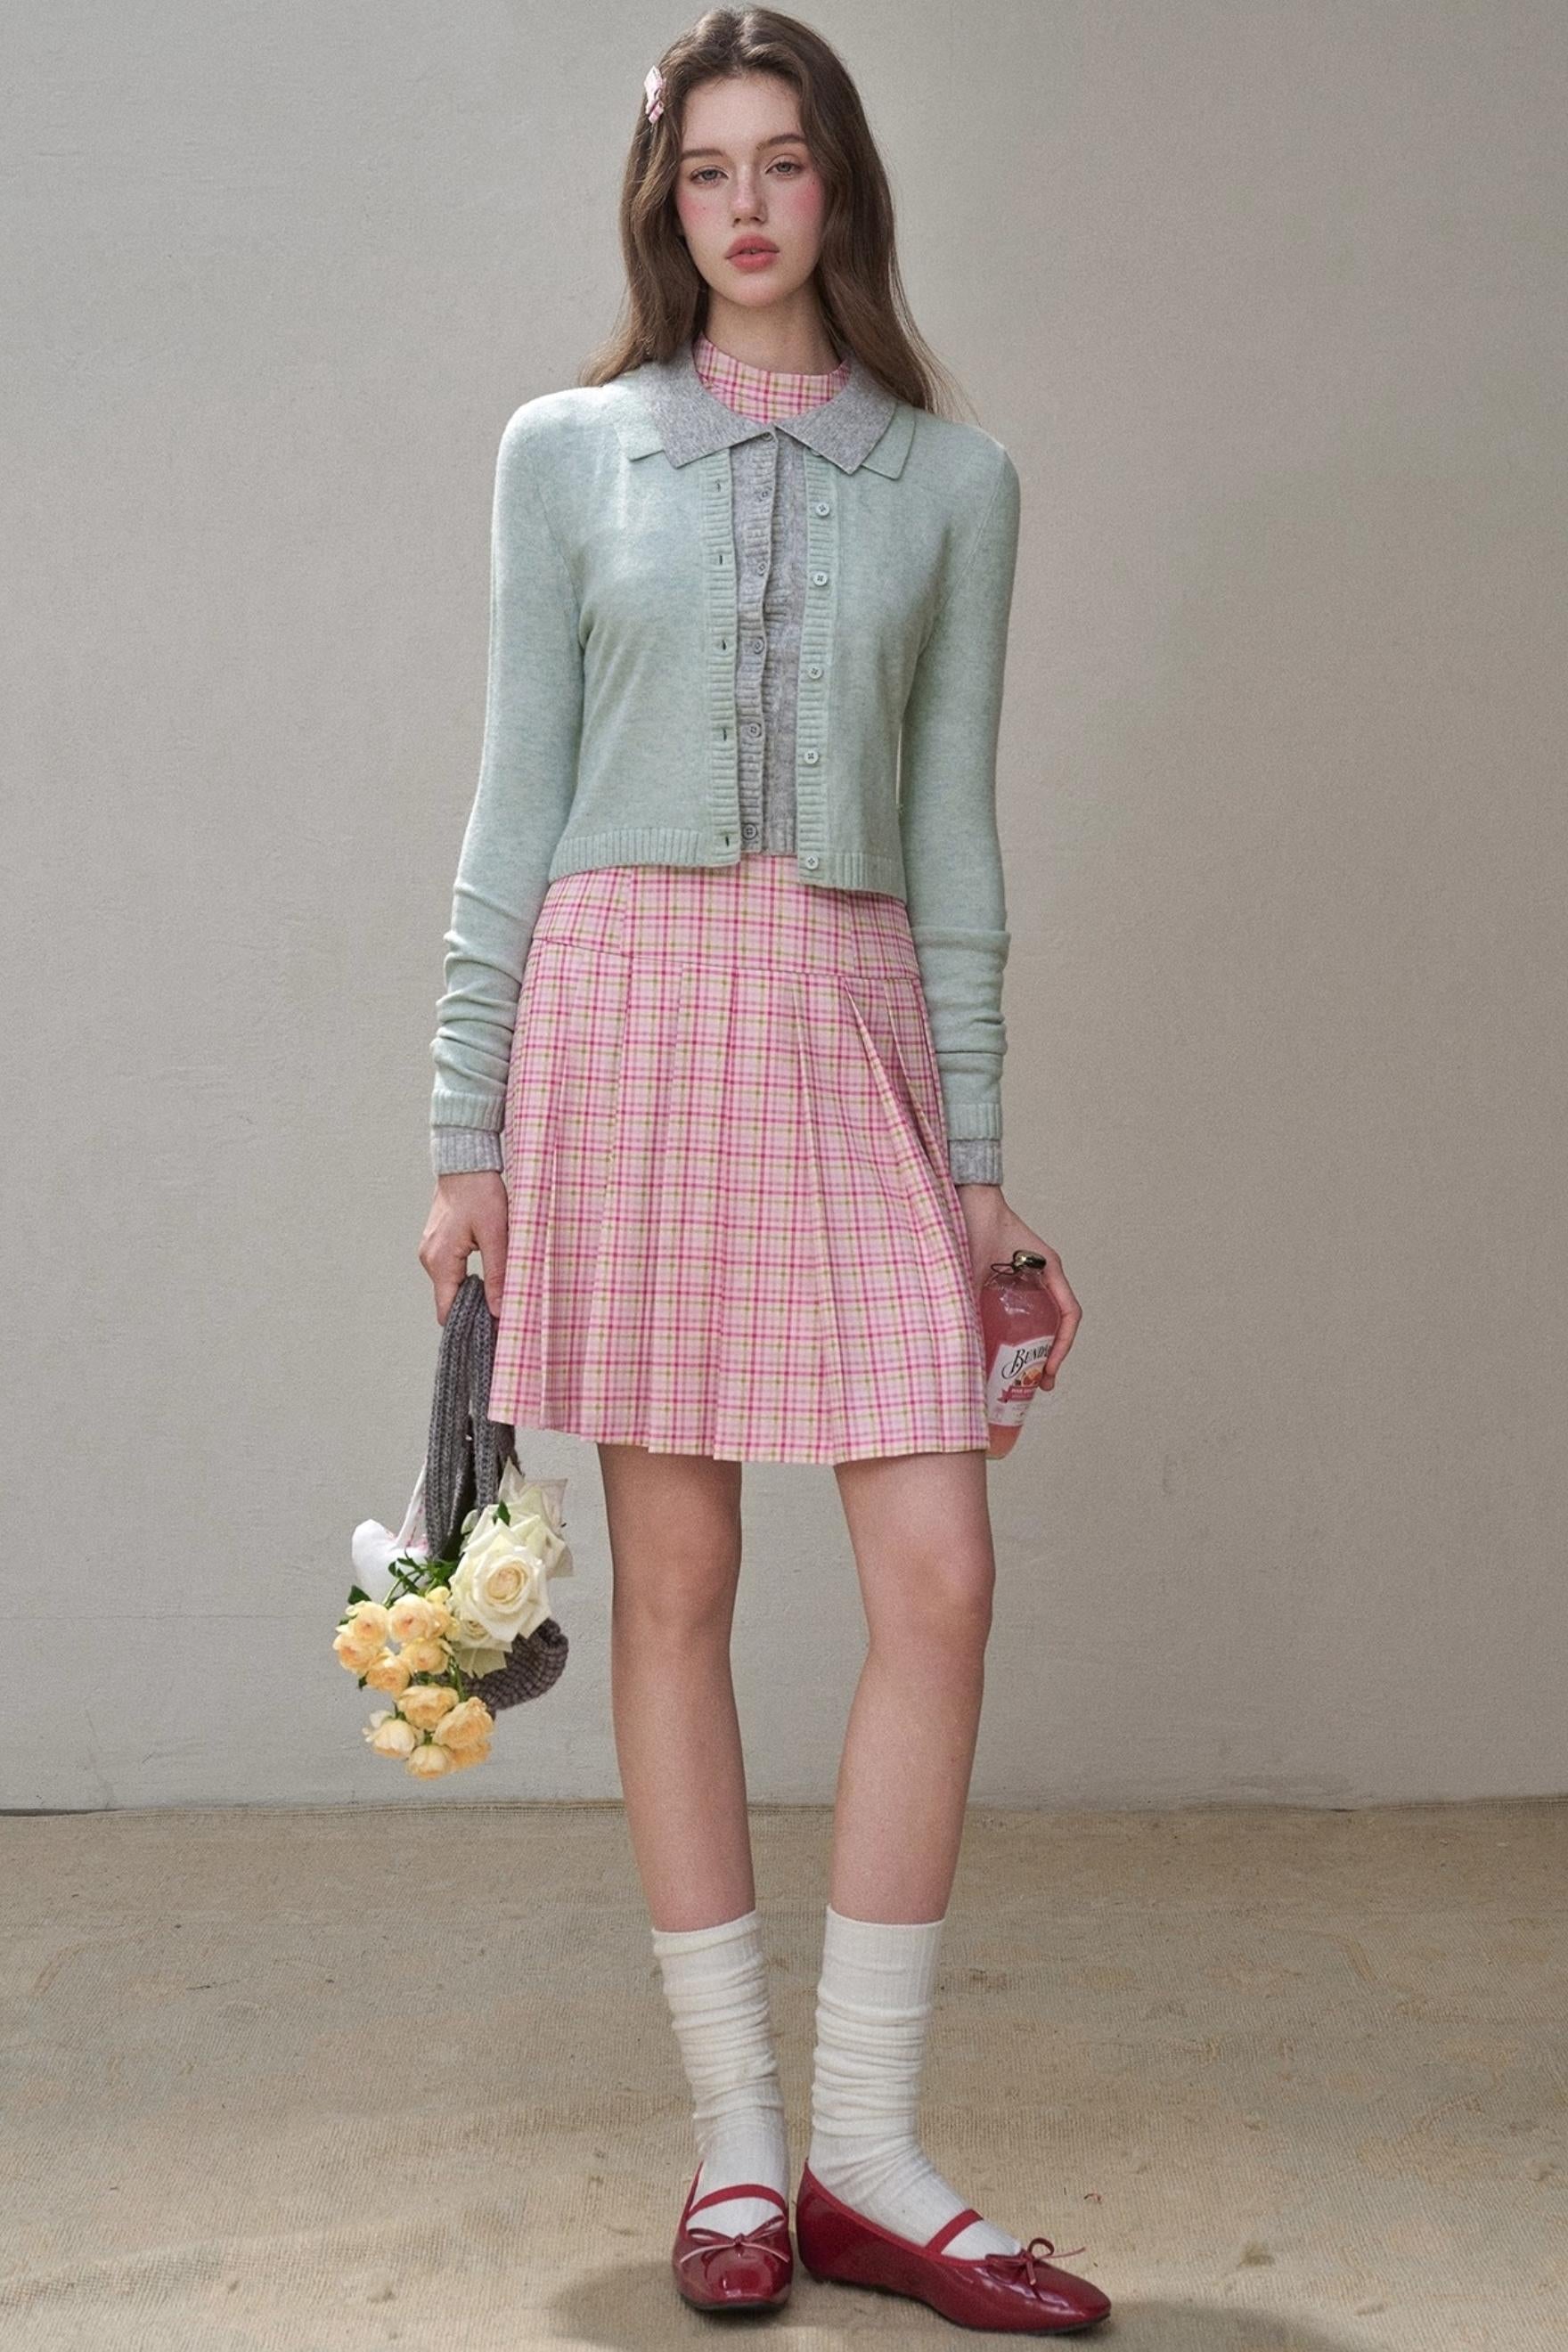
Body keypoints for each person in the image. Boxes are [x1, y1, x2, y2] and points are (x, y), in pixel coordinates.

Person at [418, 8, 1099, 2333]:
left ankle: (871, 2157)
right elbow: (515, 792)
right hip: (622, 1032)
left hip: (851, 1027)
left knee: (939, 1576)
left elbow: (955, 844)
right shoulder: (565, 452)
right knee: (680, 1587)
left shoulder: (958, 482)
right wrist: (464, 1129)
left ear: (841, 190)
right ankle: (737, 2150)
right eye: (705, 167)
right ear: (664, 198)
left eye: (782, 162)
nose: (743, 205)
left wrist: (978, 1161)